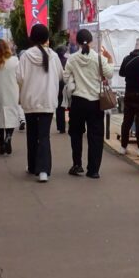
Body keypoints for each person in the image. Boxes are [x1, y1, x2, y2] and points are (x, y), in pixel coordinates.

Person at [62, 29, 114, 178]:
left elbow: (65, 77)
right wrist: (109, 60)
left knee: (76, 134)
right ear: (91, 42)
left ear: (77, 42)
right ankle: (93, 170)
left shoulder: (72, 59)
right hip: (96, 102)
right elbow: (109, 74)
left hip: (78, 102)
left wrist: (73, 81)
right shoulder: (99, 58)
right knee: (95, 136)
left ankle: (77, 165)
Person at [18, 25, 62, 182]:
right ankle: (43, 170)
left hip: (30, 100)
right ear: (46, 38)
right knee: (44, 135)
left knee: (32, 133)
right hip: (47, 100)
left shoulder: (25, 56)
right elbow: (60, 76)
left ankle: (32, 166)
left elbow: (19, 78)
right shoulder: (53, 56)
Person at [54, 45, 69, 134]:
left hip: (57, 86)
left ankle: (61, 127)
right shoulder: (67, 61)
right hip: (66, 85)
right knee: (68, 106)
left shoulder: (55, 61)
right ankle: (70, 125)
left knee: (59, 107)